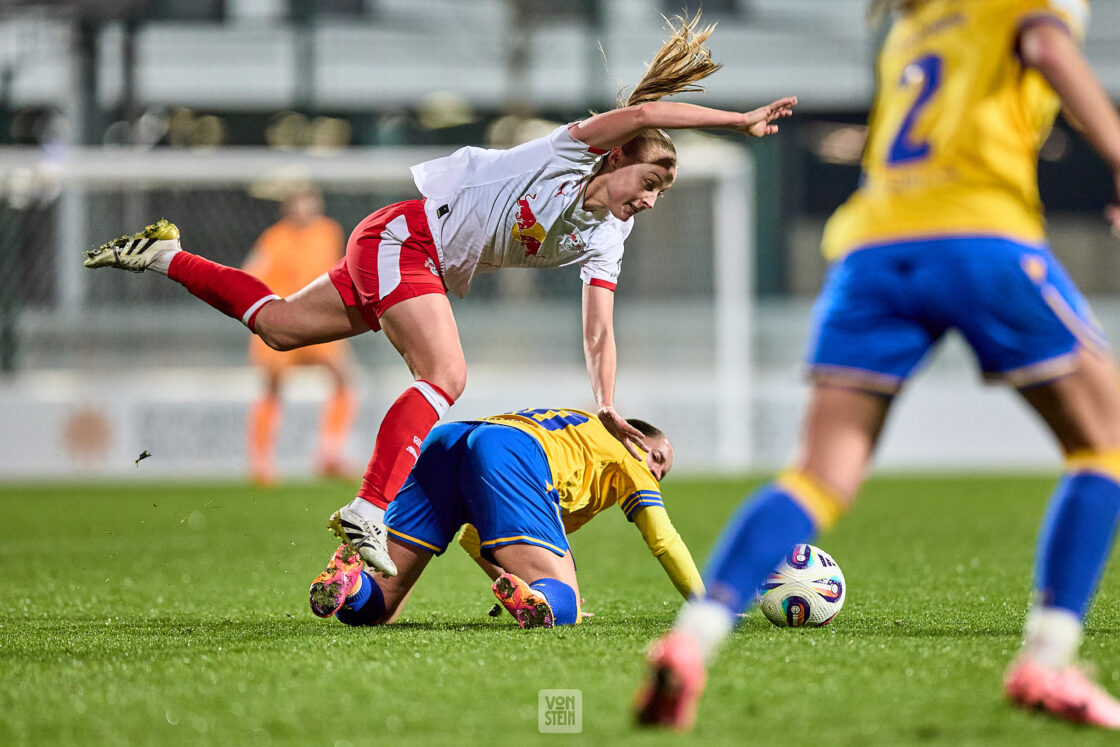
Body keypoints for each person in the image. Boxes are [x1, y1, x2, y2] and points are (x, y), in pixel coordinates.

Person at [82, 12, 796, 580]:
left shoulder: (606, 236)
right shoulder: (570, 150)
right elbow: (647, 117)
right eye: (648, 183)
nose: (649, 199)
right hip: (403, 238)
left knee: (279, 326)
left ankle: (165, 254)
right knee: (447, 375)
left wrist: (607, 401)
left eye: (661, 192)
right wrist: (738, 123)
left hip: (406, 255)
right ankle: (369, 506)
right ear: (616, 160)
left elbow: (600, 330)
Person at [635, 0, 1120, 731]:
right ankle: (1048, 658)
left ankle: (693, 639)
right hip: (979, 236)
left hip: (871, 252)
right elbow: (1050, 49)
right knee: (1104, 444)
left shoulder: (915, 21)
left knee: (820, 475)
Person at [305, 407, 702, 628]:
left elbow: (472, 540)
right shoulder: (625, 453)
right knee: (565, 606)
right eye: (658, 457)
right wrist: (705, 603)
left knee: (379, 610)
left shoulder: (580, 433)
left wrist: (510, 583)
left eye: (663, 471)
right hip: (508, 451)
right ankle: (545, 600)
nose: (656, 473)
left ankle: (349, 582)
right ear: (634, 435)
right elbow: (664, 540)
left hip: (451, 440)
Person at [242, 185, 357, 485]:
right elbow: (251, 273)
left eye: (310, 203)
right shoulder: (274, 239)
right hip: (283, 322)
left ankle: (330, 453)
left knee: (345, 378)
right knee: (272, 388)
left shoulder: (329, 232)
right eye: (298, 204)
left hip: (318, 322)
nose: (304, 210)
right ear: (288, 209)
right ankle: (261, 463)